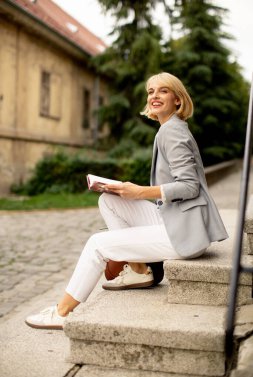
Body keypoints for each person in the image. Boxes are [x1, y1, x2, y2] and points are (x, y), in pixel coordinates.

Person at [25, 72, 228, 330]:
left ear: (178, 100)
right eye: (151, 91)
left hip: (184, 233)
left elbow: (190, 186)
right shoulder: (170, 128)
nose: (154, 96)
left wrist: (140, 191)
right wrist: (124, 190)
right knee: (109, 201)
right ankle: (139, 270)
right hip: (177, 219)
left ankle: (62, 312)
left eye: (163, 91)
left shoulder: (172, 132)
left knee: (98, 244)